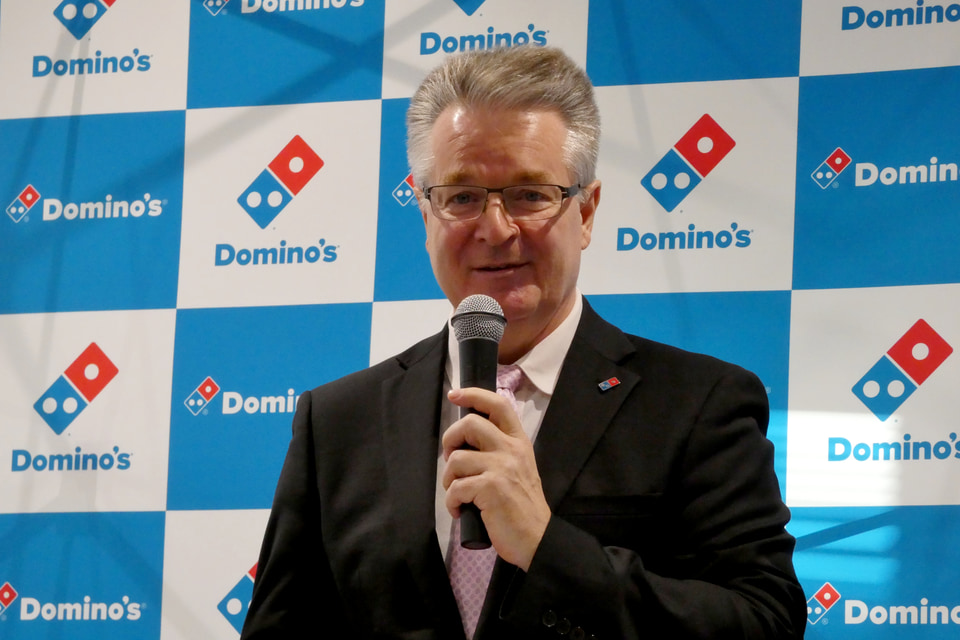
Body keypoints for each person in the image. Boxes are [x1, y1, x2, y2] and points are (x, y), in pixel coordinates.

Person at [240, 46, 807, 639]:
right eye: (461, 197)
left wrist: (545, 545)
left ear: (586, 212)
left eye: (530, 195)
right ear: (426, 215)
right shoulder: (336, 421)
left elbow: (765, 622)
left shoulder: (698, 403)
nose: (494, 229)